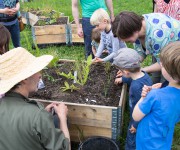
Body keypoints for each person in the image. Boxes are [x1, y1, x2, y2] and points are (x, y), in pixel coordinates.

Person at [0, 47, 70, 150]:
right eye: (36, 71)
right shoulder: (37, 115)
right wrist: (62, 118)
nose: (40, 75)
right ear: (24, 79)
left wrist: (41, 116)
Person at [132, 41, 180, 150]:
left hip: (147, 143)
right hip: (164, 142)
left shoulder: (155, 95)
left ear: (169, 72)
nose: (160, 64)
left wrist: (144, 97)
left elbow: (136, 116)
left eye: (163, 65)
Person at [112, 11, 180, 82]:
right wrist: (128, 67)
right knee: (156, 77)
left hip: (175, 52)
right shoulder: (137, 26)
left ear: (134, 31)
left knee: (167, 79)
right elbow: (140, 51)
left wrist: (140, 70)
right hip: (160, 48)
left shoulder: (157, 37)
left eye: (127, 40)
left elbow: (164, 63)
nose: (124, 41)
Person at [113, 48, 152, 150]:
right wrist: (122, 79)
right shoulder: (144, 76)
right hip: (139, 118)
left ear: (126, 71)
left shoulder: (136, 88)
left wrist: (135, 125)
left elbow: (143, 108)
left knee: (132, 140)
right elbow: (131, 78)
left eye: (121, 71)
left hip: (139, 120)